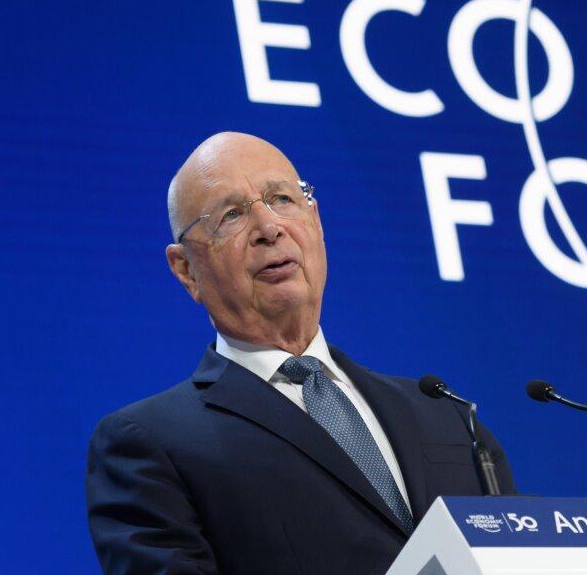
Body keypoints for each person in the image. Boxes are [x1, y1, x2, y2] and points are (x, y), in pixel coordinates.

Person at [86, 132, 514, 574]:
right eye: (231, 215)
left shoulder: (445, 416)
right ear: (186, 269)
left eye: (283, 199)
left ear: (317, 223)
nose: (269, 229)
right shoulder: (150, 443)